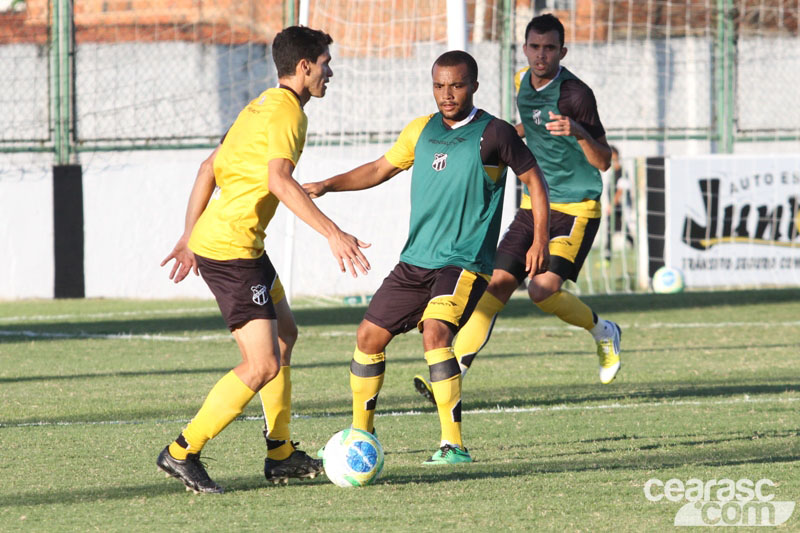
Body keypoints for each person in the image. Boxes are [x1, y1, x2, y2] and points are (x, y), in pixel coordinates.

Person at [303, 51, 550, 465]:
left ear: (473, 85)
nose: (447, 94)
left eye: (455, 85)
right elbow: (380, 168)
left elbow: (534, 181)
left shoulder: (495, 133)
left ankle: (453, 445)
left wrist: (539, 237)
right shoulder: (421, 130)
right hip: (416, 261)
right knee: (368, 337)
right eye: (439, 86)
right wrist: (328, 184)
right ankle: (362, 436)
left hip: (463, 262)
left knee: (435, 333)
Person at [157, 26, 371, 494]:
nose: (329, 72)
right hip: (234, 253)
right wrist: (333, 233)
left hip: (240, 244)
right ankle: (181, 451)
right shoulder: (289, 115)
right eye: (325, 63)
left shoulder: (261, 104)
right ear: (305, 66)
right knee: (262, 366)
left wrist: (189, 235)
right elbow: (279, 180)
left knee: (286, 334)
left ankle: (280, 454)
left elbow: (206, 168)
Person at [414, 14, 621, 406]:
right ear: (525, 49)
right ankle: (453, 370)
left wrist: (577, 132)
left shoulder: (576, 94)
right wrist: (510, 134)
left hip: (576, 207)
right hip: (534, 204)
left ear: (563, 51)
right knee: (495, 287)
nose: (541, 55)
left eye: (549, 48)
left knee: (542, 290)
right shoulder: (521, 81)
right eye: (535, 47)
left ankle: (603, 331)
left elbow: (604, 161)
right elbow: (532, 122)